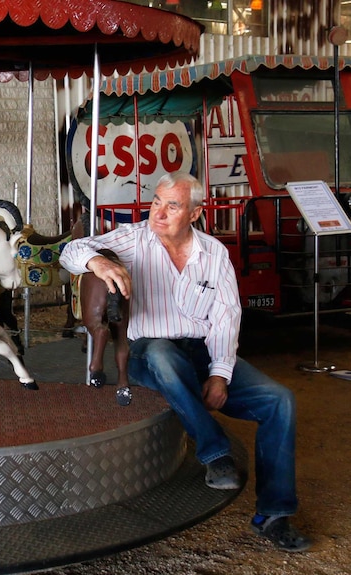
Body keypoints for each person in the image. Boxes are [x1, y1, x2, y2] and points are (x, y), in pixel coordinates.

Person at [58, 172, 312, 553]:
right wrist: (98, 262)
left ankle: (273, 515)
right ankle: (215, 451)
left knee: (280, 401)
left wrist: (220, 374)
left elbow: (227, 318)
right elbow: (70, 252)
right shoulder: (132, 238)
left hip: (201, 352)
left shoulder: (214, 253)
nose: (158, 213)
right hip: (146, 352)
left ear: (194, 213)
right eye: (156, 201)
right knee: (162, 354)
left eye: (171, 206)